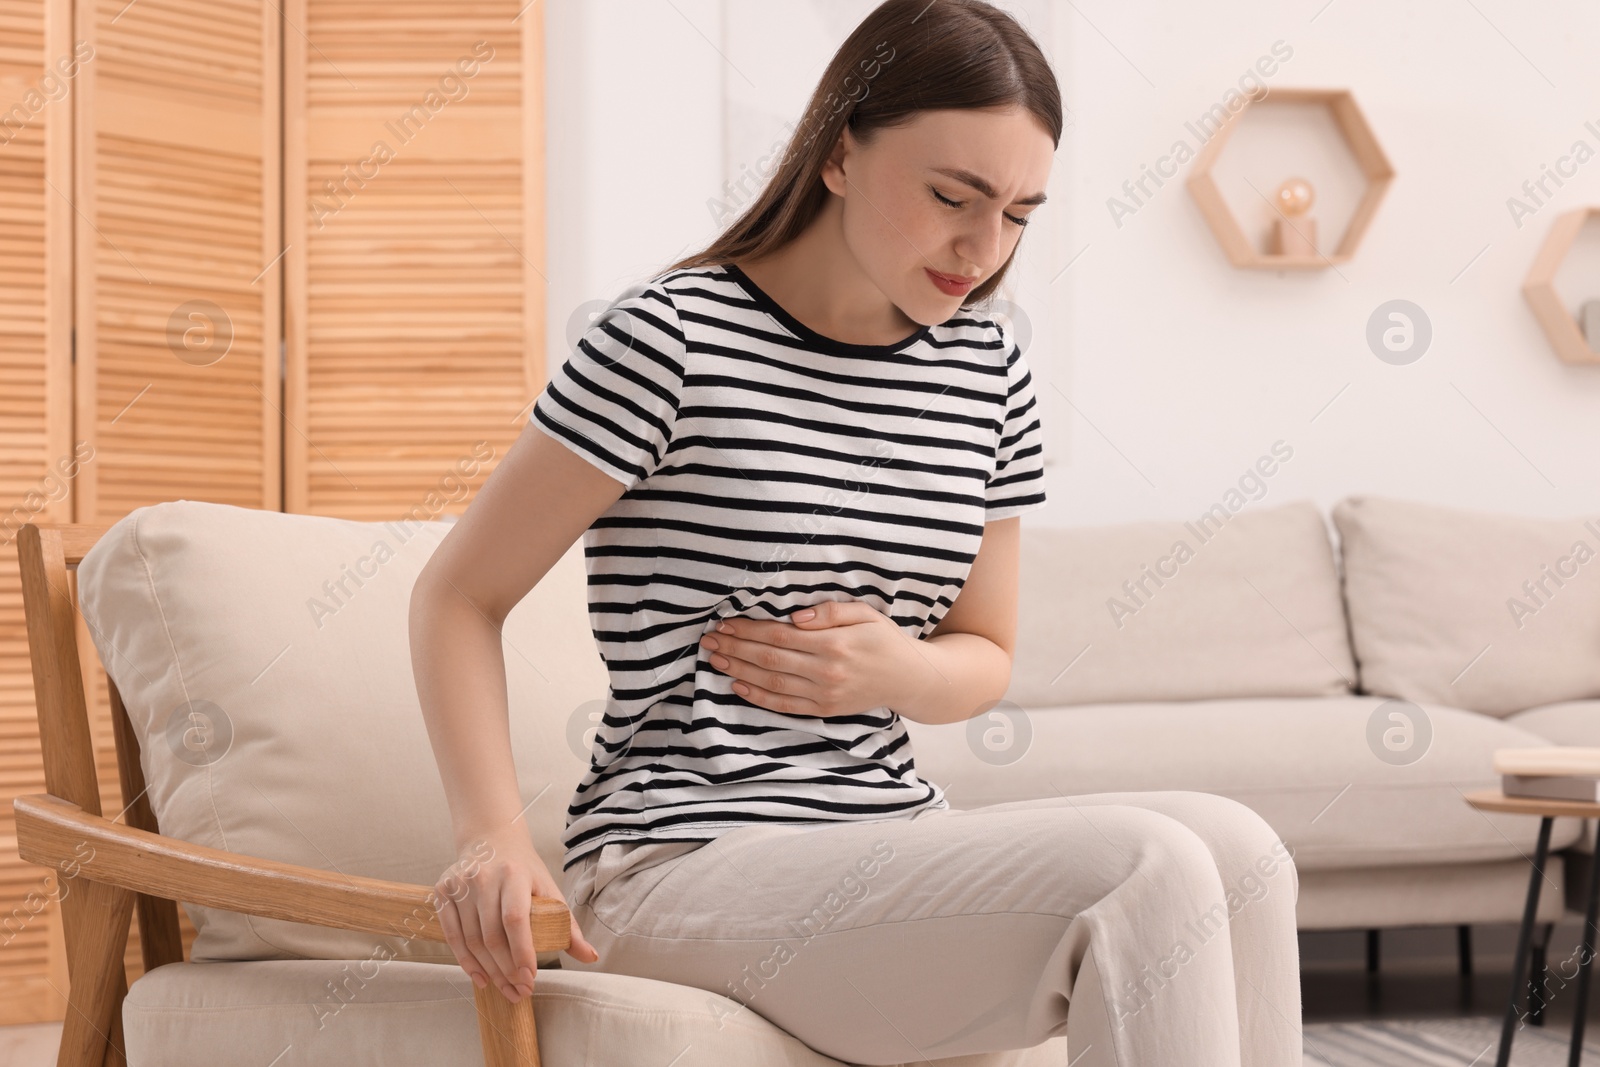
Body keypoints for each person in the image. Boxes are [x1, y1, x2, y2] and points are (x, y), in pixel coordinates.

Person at [409, 1, 1303, 1064]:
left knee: (1244, 854)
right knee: (1146, 866)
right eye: (951, 196)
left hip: (887, 829)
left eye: (1019, 211)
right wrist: (493, 839)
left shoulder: (989, 371)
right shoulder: (671, 339)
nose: (982, 247)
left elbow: (984, 653)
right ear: (839, 152)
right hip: (681, 853)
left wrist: (891, 669)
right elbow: (457, 595)